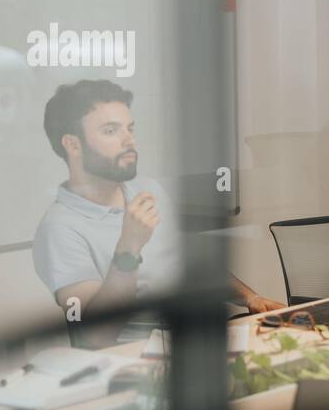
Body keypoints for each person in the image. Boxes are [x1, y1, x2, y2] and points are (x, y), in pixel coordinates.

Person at [33, 80, 283, 345]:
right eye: (110, 131)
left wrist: (250, 297)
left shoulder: (147, 188)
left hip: (190, 343)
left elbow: (186, 266)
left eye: (130, 129)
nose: (128, 140)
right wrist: (128, 249)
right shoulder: (58, 229)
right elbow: (94, 336)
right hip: (130, 361)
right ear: (72, 145)